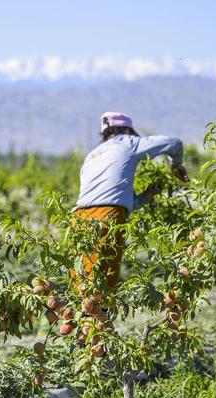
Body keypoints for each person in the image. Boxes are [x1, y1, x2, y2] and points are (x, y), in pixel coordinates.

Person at [71, 112, 189, 304]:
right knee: (104, 284)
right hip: (107, 215)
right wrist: (176, 165)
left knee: (82, 281)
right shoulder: (127, 142)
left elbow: (109, 198)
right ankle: (99, 319)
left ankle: (84, 320)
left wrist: (145, 196)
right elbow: (174, 143)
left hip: (78, 218)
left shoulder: (92, 156)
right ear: (127, 130)